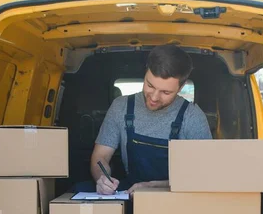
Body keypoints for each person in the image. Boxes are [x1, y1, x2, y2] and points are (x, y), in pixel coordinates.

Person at [90, 44, 212, 195]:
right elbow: (100, 156)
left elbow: (203, 174)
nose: (154, 97)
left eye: (165, 92)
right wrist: (102, 179)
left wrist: (153, 187)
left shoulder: (193, 117)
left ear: (180, 88)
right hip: (130, 195)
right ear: (146, 72)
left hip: (176, 201)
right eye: (150, 85)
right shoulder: (121, 107)